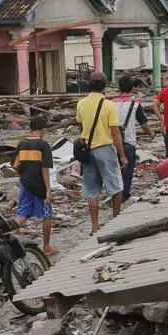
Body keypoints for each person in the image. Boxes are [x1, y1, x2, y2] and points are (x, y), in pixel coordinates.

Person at [75, 71, 126, 234]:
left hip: (88, 150)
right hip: (105, 149)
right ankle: (116, 221)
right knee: (115, 187)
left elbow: (81, 126)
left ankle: (95, 226)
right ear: (104, 86)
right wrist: (122, 155)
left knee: (91, 191)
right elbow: (115, 133)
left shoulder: (81, 104)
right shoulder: (109, 105)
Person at [13, 115, 57, 256]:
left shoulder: (21, 143)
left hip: (25, 185)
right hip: (39, 187)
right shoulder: (43, 145)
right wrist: (48, 190)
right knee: (47, 215)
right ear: (43, 129)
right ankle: (46, 247)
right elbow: (45, 169)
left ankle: (9, 238)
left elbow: (15, 166)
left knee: (23, 214)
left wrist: (25, 176)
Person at [114, 74, 154, 201]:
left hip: (113, 142)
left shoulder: (110, 103)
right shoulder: (135, 104)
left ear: (118, 87)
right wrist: (151, 134)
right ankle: (124, 195)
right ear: (132, 89)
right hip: (129, 142)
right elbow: (144, 124)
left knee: (115, 170)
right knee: (127, 172)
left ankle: (115, 194)